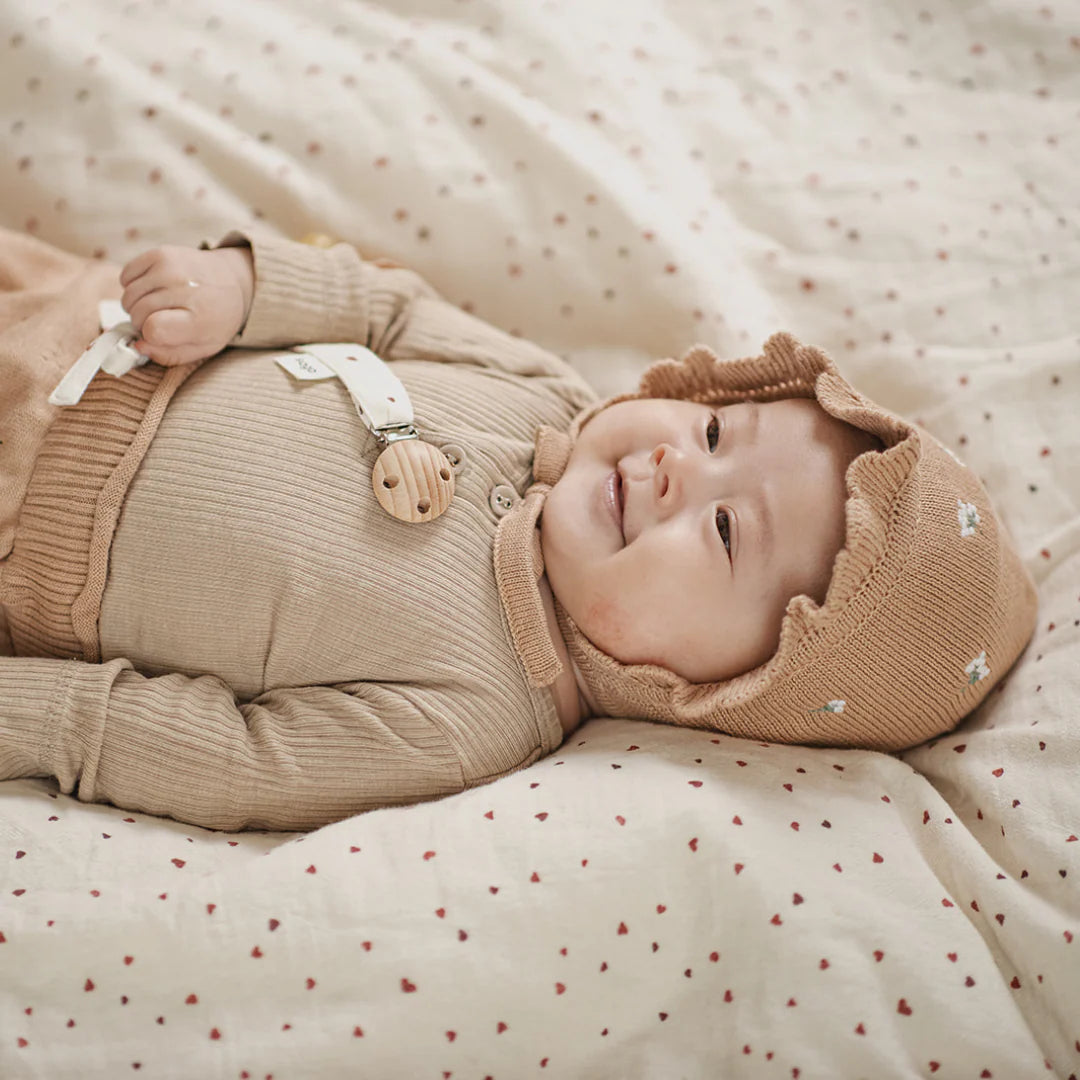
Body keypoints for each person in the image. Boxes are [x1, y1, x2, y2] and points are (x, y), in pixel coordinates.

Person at [0, 225, 1038, 831]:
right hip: (82, 323)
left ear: (722, 689)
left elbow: (235, 757)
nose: (680, 463)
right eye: (719, 427)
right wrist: (241, 288)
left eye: (727, 531)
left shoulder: (470, 719)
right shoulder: (542, 392)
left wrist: (34, 716)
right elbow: (385, 313)